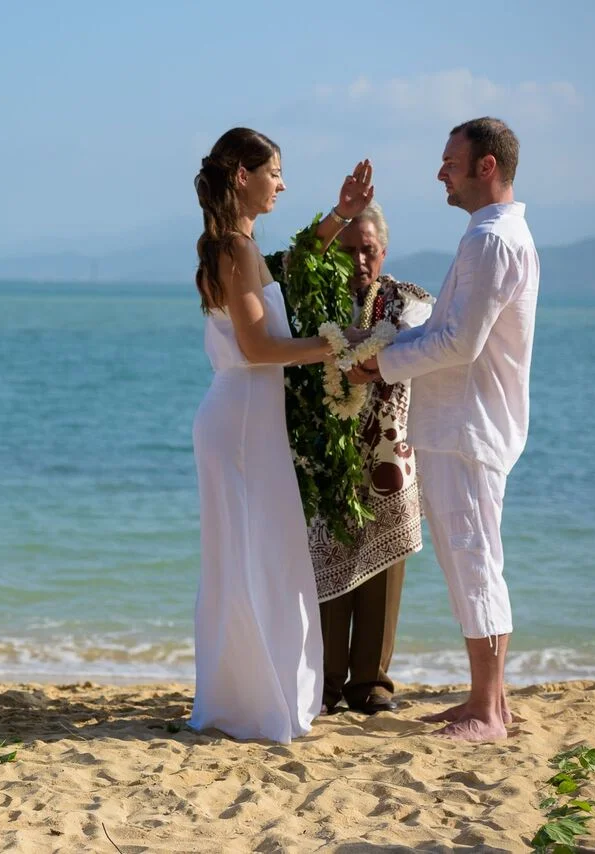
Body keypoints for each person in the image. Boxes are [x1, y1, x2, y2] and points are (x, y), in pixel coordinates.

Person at [350, 117, 539, 741]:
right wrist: (391, 343)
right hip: (461, 422)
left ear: (487, 166)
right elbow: (446, 333)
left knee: (475, 557)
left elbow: (459, 343)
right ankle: (489, 698)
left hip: (468, 424)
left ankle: (487, 710)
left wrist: (381, 363)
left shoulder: (491, 241)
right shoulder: (490, 235)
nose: (440, 173)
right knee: (471, 559)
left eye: (450, 162)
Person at [189, 127, 374, 742]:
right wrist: (333, 347)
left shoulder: (240, 246)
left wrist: (339, 217)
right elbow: (258, 346)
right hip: (241, 416)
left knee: (258, 553)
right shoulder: (231, 250)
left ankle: (247, 696)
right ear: (243, 175)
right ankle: (250, 702)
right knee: (252, 555)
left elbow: (289, 271)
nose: (282, 183)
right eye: (275, 171)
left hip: (246, 417)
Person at [313, 201, 432, 715]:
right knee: (327, 559)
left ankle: (371, 682)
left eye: (368, 250)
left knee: (383, 564)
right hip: (328, 451)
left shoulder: (409, 301)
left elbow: (415, 340)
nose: (359, 260)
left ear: (383, 252)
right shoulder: (316, 302)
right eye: (348, 250)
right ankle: (324, 681)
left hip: (388, 449)